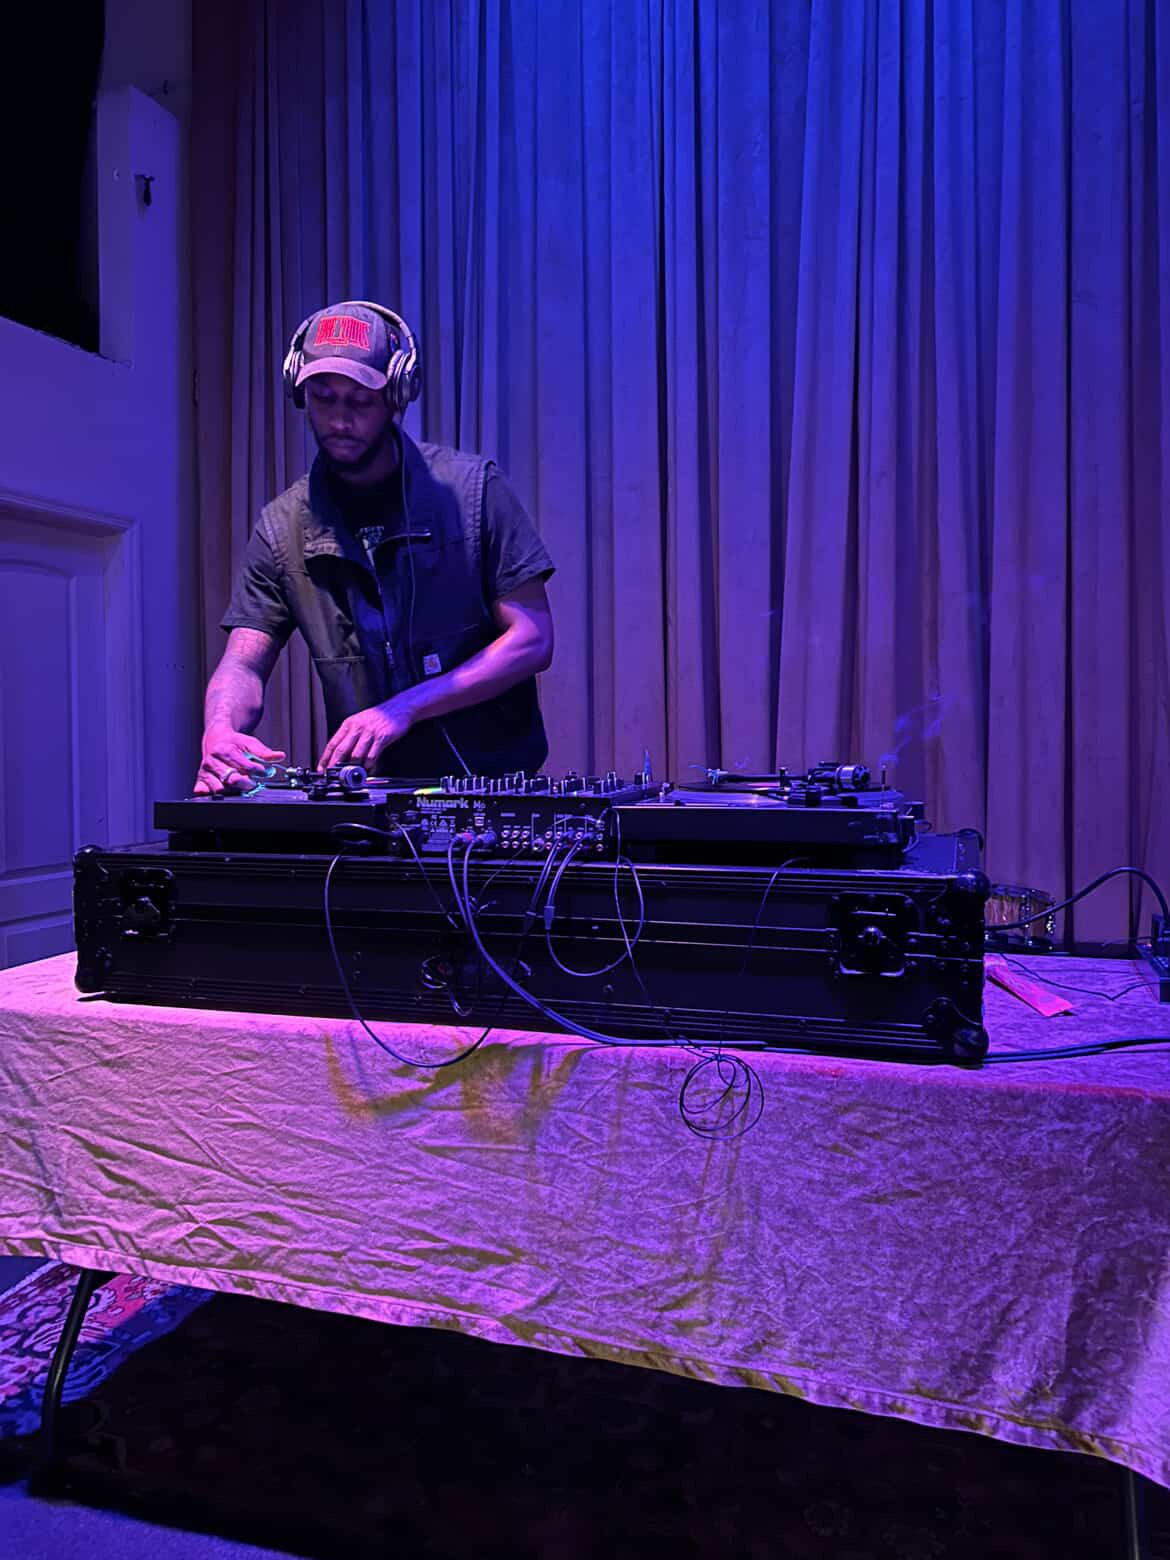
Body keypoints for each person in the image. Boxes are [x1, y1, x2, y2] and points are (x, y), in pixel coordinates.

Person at [194, 301, 555, 794]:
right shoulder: (281, 528)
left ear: (397, 395)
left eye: (361, 401)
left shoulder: (475, 493)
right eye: (323, 398)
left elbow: (532, 639)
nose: (340, 419)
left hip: (492, 792)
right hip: (369, 799)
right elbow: (243, 663)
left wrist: (404, 708)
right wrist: (220, 731)